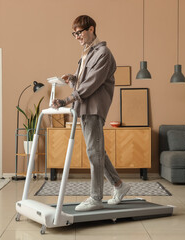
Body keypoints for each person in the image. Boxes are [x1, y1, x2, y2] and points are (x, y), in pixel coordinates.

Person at [51, 15, 130, 212]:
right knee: (97, 151)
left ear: (91, 29)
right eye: (74, 33)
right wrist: (72, 78)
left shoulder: (103, 53)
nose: (77, 36)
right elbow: (82, 81)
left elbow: (91, 84)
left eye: (79, 32)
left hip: (93, 108)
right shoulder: (87, 54)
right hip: (84, 108)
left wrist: (66, 100)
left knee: (93, 152)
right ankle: (119, 186)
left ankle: (96, 197)